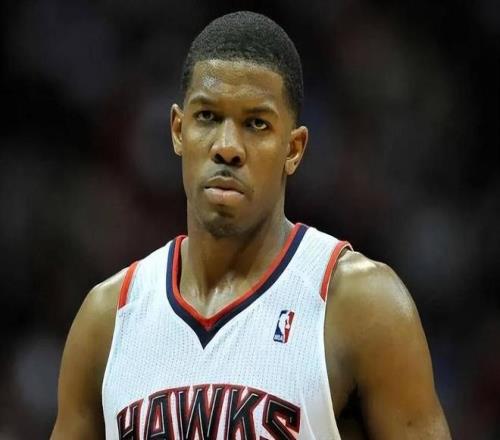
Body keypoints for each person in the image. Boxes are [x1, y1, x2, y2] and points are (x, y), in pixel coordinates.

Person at [51, 11, 451, 440]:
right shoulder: (108, 319)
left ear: (293, 149)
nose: (227, 147)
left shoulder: (361, 306)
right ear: (178, 130)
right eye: (207, 117)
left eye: (256, 124)